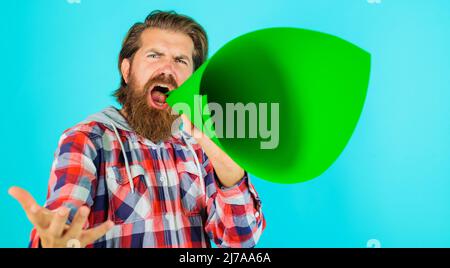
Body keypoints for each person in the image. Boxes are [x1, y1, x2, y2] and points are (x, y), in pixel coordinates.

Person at [9, 10, 265, 248]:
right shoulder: (87, 139)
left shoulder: (202, 144)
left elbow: (240, 242)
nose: (167, 69)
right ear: (127, 69)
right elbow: (63, 219)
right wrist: (55, 240)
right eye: (154, 55)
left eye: (180, 60)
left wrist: (228, 167)